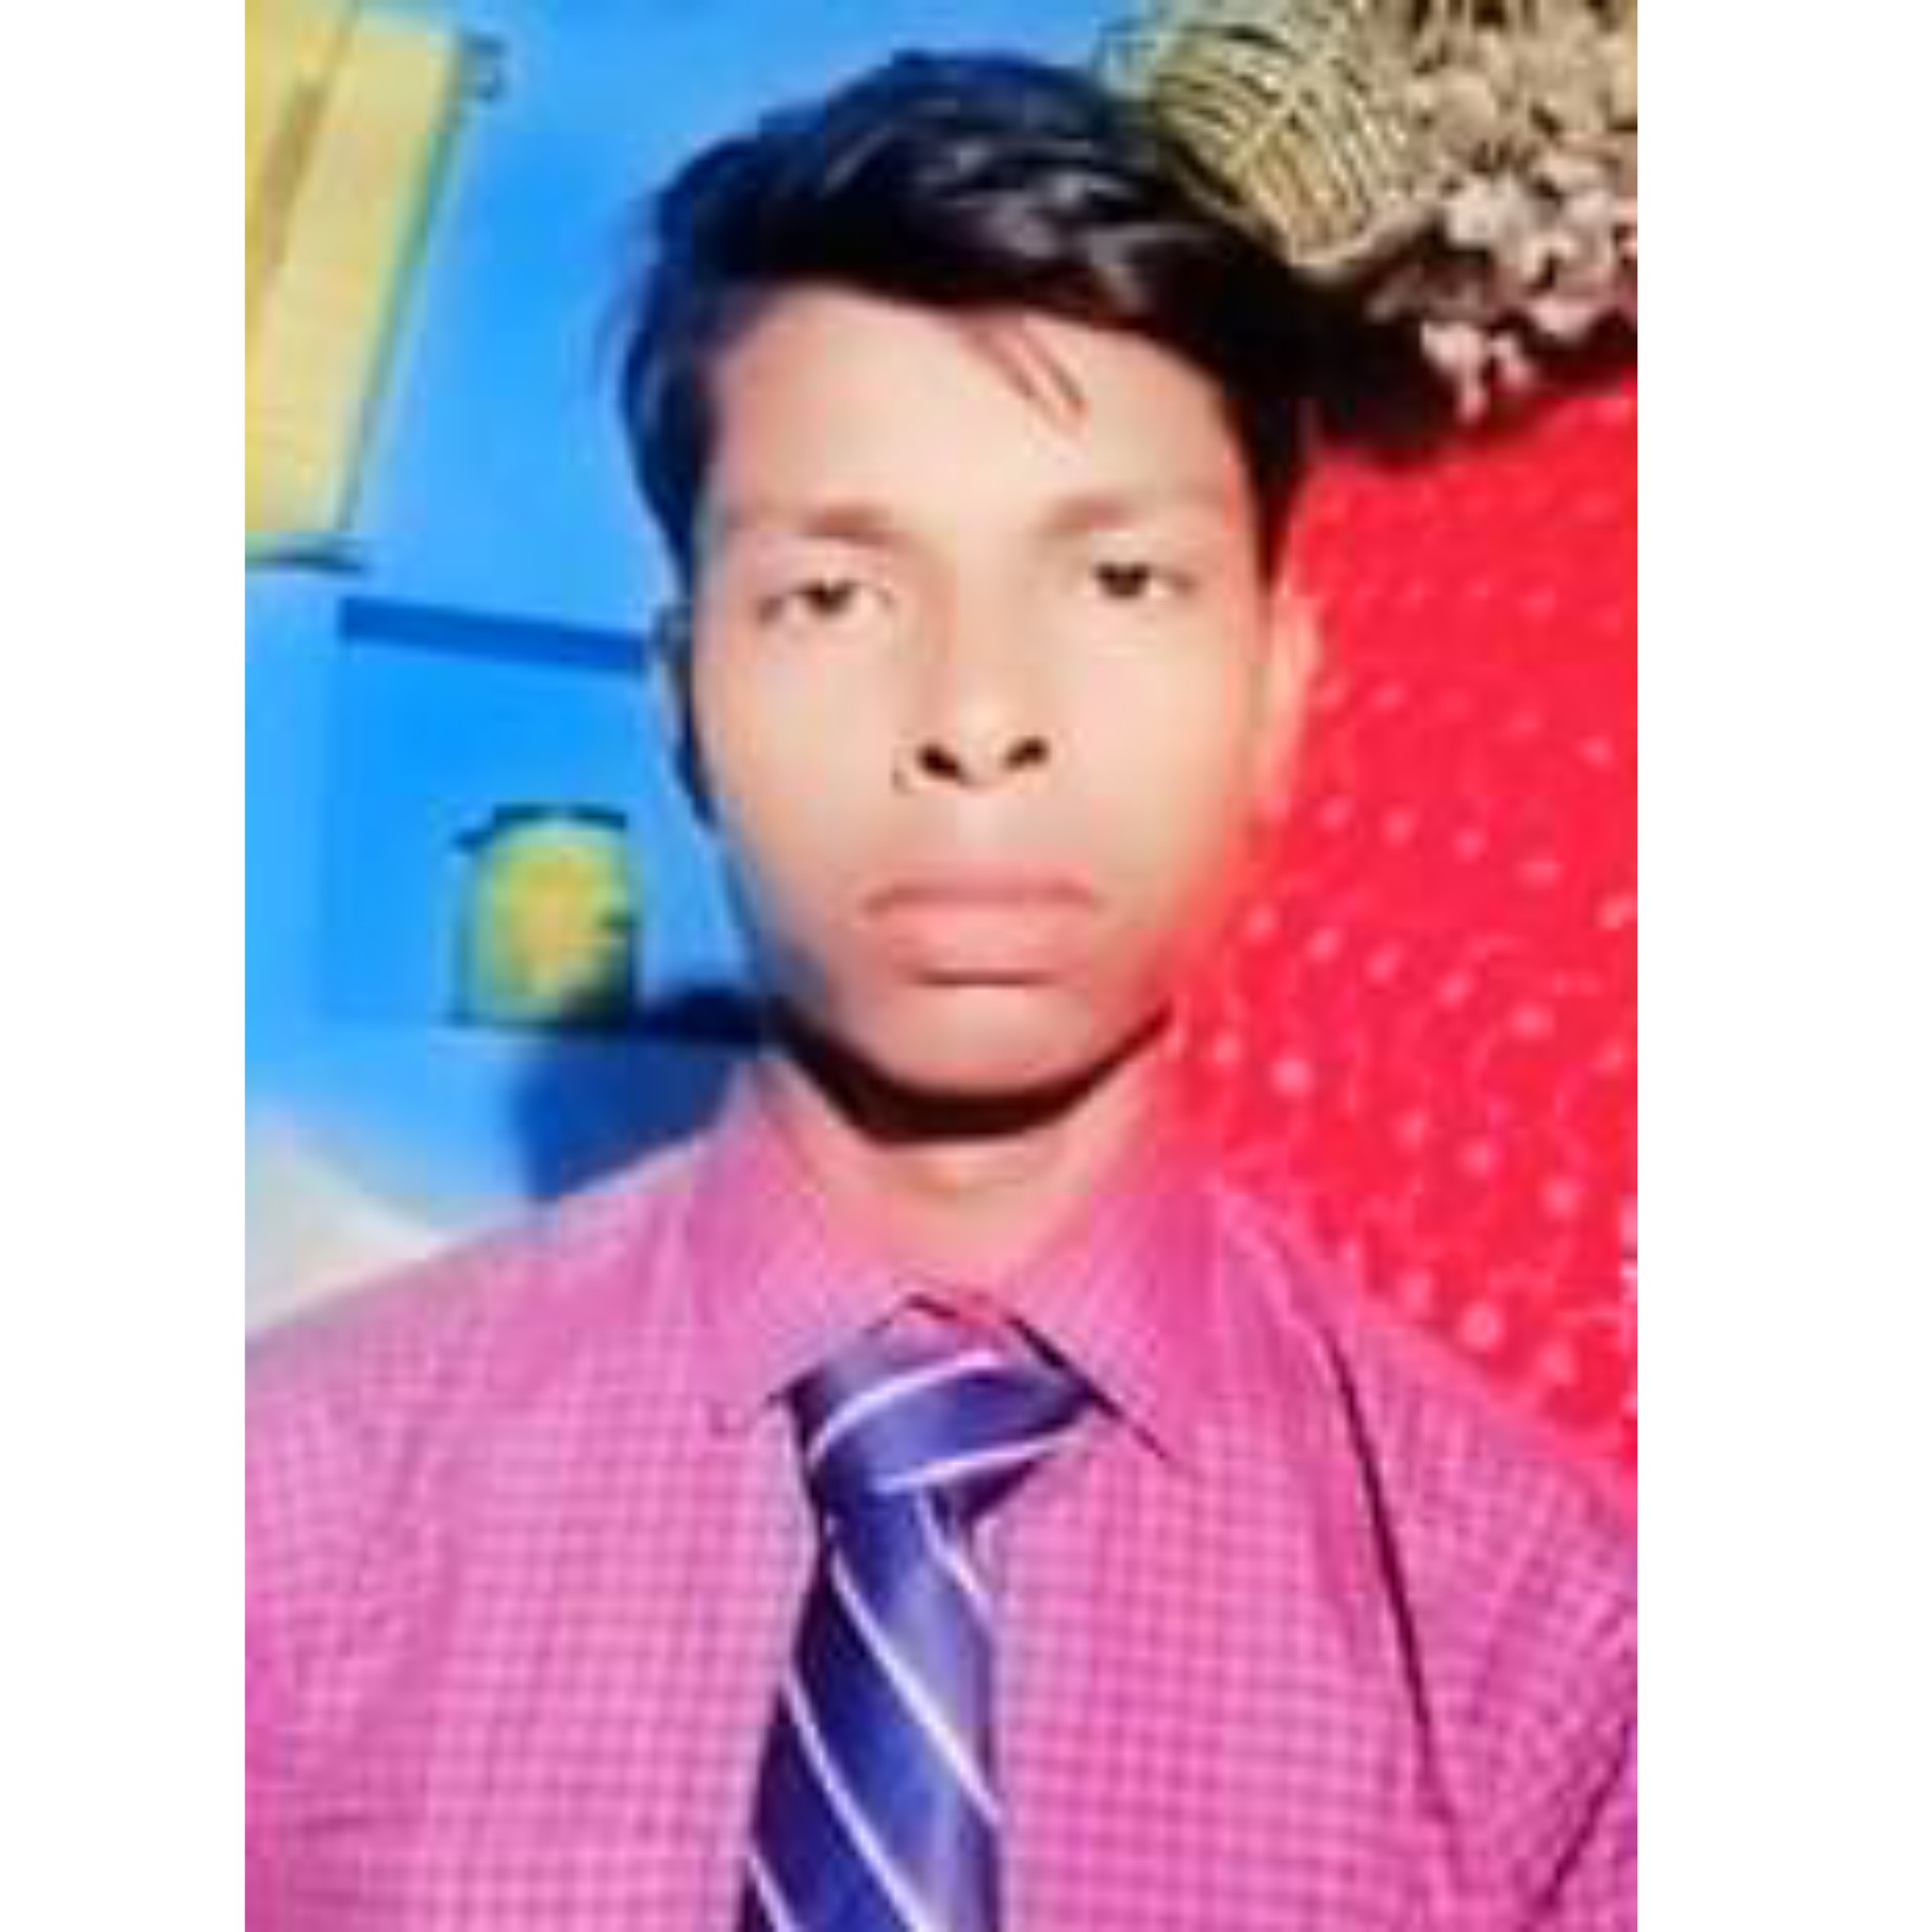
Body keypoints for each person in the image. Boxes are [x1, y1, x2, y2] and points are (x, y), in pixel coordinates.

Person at [248, 49, 1634, 1930]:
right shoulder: (273, 1522)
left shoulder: (1558, 1663)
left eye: (1121, 579)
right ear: (682, 701)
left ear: (1279, 691)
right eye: (833, 595)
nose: (979, 716)